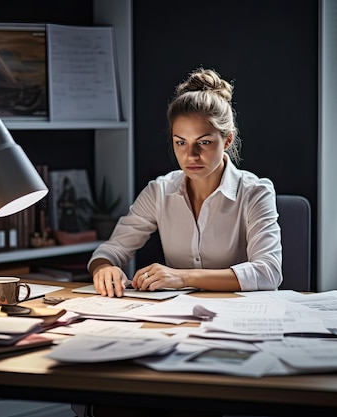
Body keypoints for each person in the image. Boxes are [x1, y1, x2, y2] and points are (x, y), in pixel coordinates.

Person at [89, 67, 282, 298]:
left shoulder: (255, 192)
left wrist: (182, 277)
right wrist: (104, 268)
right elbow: (111, 250)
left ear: (227, 140)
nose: (191, 155)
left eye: (204, 142)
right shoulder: (159, 191)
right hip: (178, 317)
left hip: (240, 316)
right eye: (181, 142)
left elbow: (268, 272)